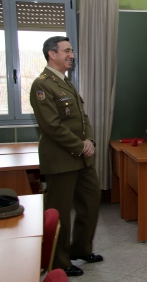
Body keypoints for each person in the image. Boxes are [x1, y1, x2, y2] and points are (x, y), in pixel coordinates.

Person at [29, 36, 102, 277]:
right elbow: (51, 126)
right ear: (52, 54)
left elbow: (82, 118)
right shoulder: (42, 84)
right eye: (67, 50)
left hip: (82, 156)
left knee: (90, 202)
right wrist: (80, 146)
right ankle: (58, 261)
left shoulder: (65, 82)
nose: (72, 54)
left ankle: (80, 248)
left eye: (72, 50)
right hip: (61, 159)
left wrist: (89, 141)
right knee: (59, 211)